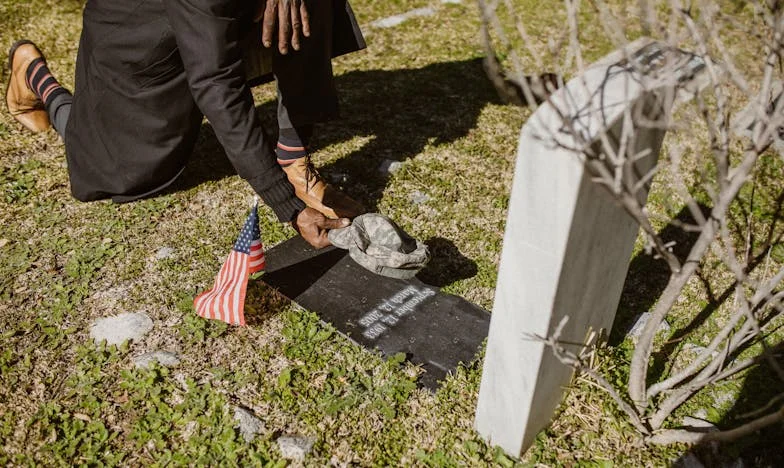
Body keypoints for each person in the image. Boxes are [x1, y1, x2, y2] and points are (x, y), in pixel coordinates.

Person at [5, 0, 366, 248]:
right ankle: (36, 78)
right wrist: (287, 206)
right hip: (140, 42)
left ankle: (293, 160)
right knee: (116, 168)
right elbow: (216, 81)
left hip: (215, 18)